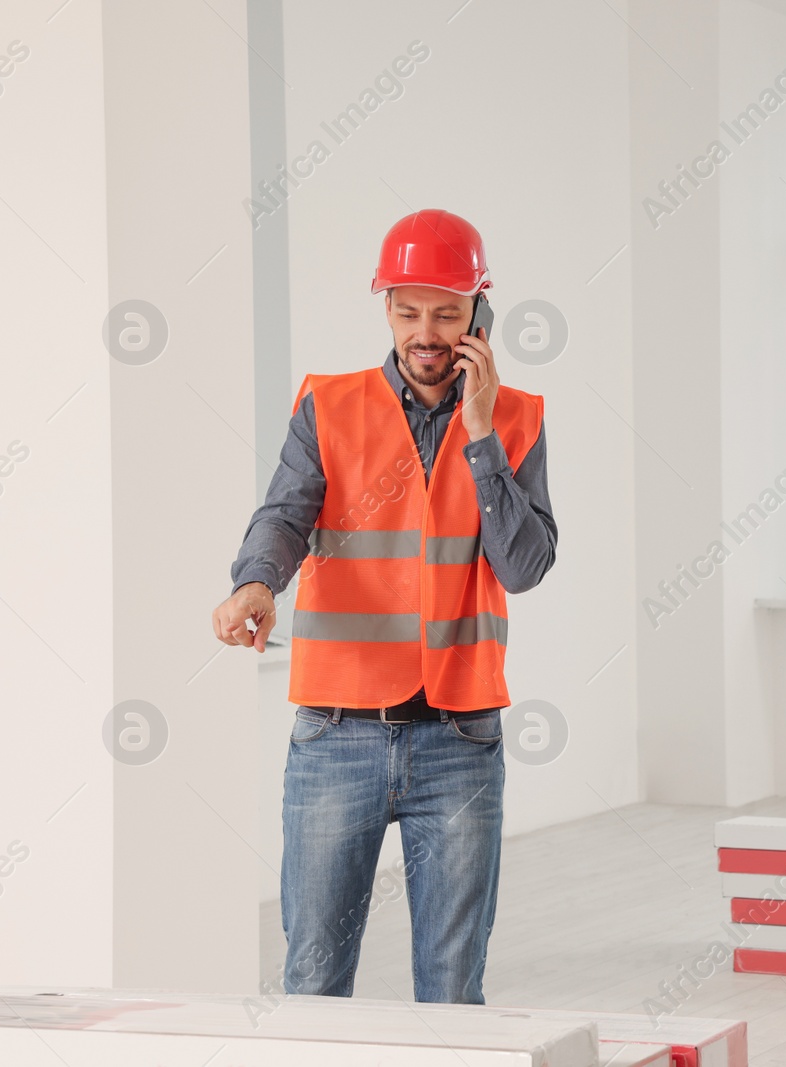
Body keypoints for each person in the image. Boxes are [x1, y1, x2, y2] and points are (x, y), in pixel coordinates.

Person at [209, 208, 556, 1004]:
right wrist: (256, 581)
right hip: (338, 732)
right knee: (314, 979)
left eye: (446, 312)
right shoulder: (328, 408)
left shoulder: (516, 418)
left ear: (480, 312)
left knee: (451, 988)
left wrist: (480, 438)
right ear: (386, 308)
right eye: (407, 312)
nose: (426, 332)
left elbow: (526, 564)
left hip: (461, 736)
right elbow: (285, 515)